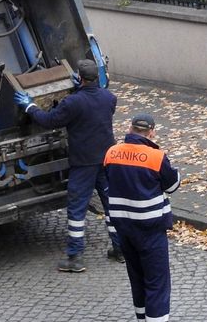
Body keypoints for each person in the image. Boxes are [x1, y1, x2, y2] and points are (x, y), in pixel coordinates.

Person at [14, 59, 123, 272]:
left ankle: (75, 257)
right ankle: (120, 249)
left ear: (80, 78)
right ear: (96, 78)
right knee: (112, 206)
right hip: (107, 159)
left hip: (83, 163)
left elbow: (48, 120)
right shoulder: (109, 98)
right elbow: (95, 103)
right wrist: (83, 88)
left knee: (77, 209)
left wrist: (29, 106)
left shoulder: (72, 103)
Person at [104, 113, 180, 322]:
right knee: (156, 282)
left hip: (124, 228)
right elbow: (172, 185)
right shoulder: (156, 156)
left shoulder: (112, 153)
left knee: (137, 279)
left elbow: (110, 179)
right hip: (150, 229)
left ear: (130, 129)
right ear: (151, 132)